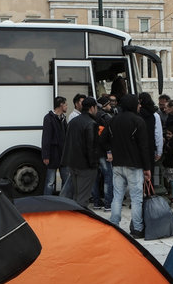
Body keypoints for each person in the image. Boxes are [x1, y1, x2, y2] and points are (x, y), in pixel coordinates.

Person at [99, 94, 151, 239]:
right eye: (138, 104)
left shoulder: (113, 120)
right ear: (133, 105)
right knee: (136, 198)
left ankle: (114, 224)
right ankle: (137, 228)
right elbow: (144, 147)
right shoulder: (138, 121)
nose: (139, 106)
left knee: (117, 196)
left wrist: (110, 151)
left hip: (117, 165)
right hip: (134, 165)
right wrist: (147, 168)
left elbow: (102, 140)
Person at [61, 97, 100, 207]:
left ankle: (74, 217)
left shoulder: (73, 121)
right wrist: (94, 165)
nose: (96, 110)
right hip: (86, 166)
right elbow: (91, 146)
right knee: (83, 198)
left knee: (77, 195)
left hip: (73, 164)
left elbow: (68, 142)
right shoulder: (91, 123)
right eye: (96, 107)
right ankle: (79, 220)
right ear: (92, 108)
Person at [41, 96, 69, 195]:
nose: (67, 107)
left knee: (66, 180)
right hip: (53, 154)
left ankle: (64, 200)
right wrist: (46, 155)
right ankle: (47, 201)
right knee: (50, 182)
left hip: (63, 154)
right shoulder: (49, 118)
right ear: (61, 105)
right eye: (65, 104)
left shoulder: (62, 118)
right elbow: (46, 138)